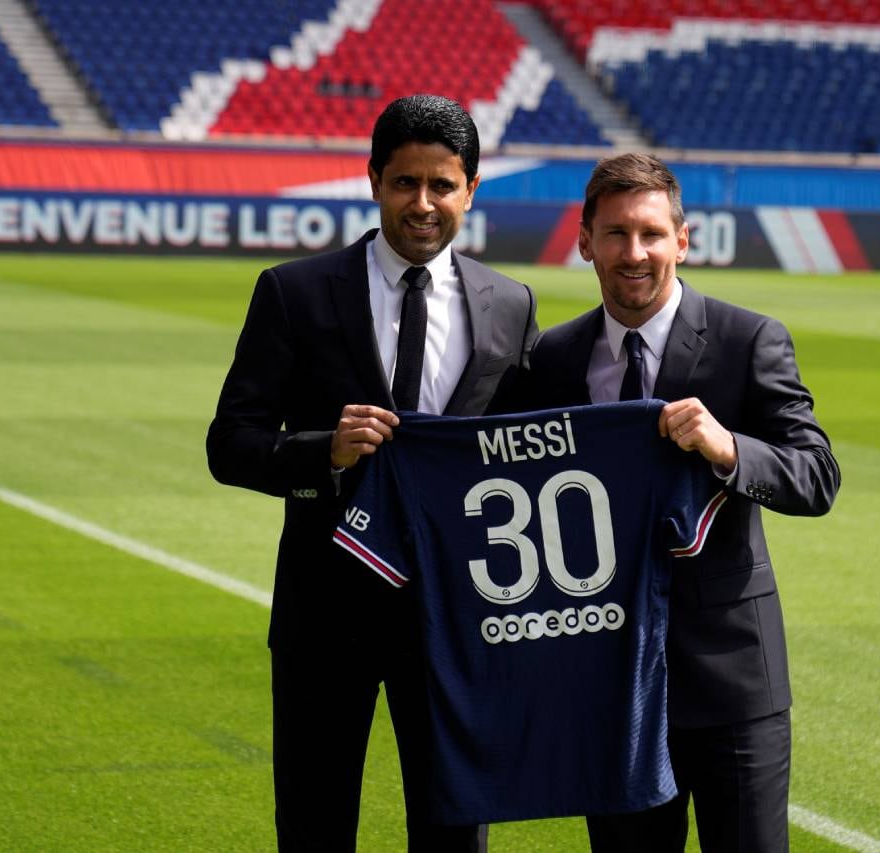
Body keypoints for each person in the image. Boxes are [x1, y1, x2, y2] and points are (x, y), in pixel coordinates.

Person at [206, 94, 537, 852]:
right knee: (316, 827)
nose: (423, 204)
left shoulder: (510, 305)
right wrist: (321, 450)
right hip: (326, 616)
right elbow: (230, 442)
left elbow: (524, 455)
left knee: (454, 833)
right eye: (404, 184)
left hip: (456, 623)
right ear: (373, 181)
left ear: (472, 188)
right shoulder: (294, 291)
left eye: (442, 186)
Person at [527, 153, 840, 853]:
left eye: (650, 234)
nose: (633, 253)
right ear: (585, 243)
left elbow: (817, 475)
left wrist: (728, 448)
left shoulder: (748, 340)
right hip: (612, 685)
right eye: (614, 235)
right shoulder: (551, 359)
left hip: (732, 682)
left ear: (683, 240)